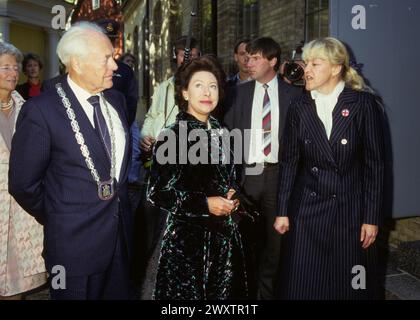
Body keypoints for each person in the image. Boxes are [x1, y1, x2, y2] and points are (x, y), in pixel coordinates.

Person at [8, 22, 133, 300]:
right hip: (72, 252)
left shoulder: (117, 100)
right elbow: (23, 184)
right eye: (106, 58)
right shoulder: (41, 111)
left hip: (119, 243)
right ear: (76, 63)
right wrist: (59, 214)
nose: (115, 66)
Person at [274, 37, 385, 300]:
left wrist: (371, 216)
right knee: (302, 284)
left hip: (349, 212)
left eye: (315, 63)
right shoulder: (298, 107)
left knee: (346, 287)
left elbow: (374, 166)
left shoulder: (362, 105)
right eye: (306, 62)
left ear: (336, 68)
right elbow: (288, 161)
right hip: (306, 213)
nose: (306, 69)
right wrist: (282, 211)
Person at [147, 55, 248, 300]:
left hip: (224, 243)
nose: (207, 92)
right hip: (186, 247)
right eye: (198, 85)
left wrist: (234, 194)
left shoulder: (223, 132)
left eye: (212, 86)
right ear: (184, 93)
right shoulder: (172, 135)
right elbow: (157, 193)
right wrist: (205, 204)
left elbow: (228, 178)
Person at [224, 37, 302, 299]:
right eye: (247, 57)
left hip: (279, 177)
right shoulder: (237, 94)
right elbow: (226, 140)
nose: (249, 62)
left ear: (273, 61)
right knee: (244, 242)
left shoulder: (295, 95)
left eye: (256, 58)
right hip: (248, 176)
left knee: (275, 246)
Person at [138, 36, 200, 254]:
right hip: (158, 163)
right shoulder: (163, 87)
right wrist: (145, 136)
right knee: (151, 214)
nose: (188, 58)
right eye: (184, 53)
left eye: (192, 54)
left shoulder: (202, 87)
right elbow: (151, 117)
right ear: (176, 56)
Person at [0, 42, 47, 300]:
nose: (13, 72)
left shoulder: (27, 108)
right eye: (5, 67)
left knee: (17, 283)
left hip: (21, 210)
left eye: (14, 67)